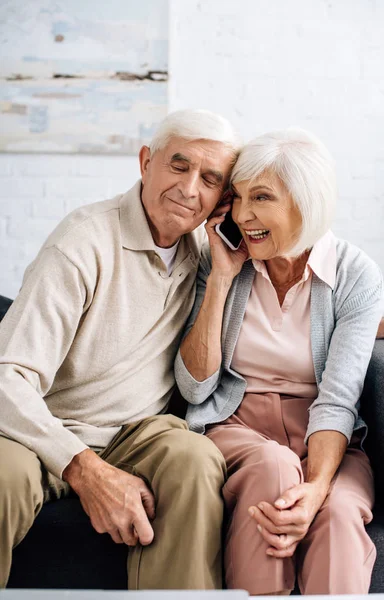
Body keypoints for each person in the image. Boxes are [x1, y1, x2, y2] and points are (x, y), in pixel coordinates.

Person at [0, 109, 242, 589]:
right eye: (179, 165)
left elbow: (285, 287)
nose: (190, 188)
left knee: (195, 461)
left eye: (210, 179)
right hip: (43, 432)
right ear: (145, 162)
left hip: (138, 435)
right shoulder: (82, 241)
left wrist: (355, 320)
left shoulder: (208, 249)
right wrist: (84, 469)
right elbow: (8, 377)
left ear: (221, 197)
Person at [176, 128, 384, 595]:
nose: (245, 215)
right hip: (237, 426)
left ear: (306, 203)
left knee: (338, 511)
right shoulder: (221, 264)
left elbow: (338, 400)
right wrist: (221, 282)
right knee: (273, 469)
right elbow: (193, 389)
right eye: (240, 197)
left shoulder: (355, 276)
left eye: (262, 197)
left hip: (325, 434)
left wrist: (315, 490)